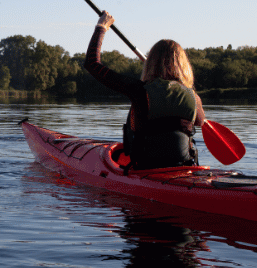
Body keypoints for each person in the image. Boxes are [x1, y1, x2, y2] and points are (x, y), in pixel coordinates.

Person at [84, 11, 205, 170]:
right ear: (184, 66)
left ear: (150, 63)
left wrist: (101, 27)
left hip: (145, 169)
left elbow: (92, 64)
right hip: (183, 168)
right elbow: (200, 122)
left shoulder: (138, 90)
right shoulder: (193, 97)